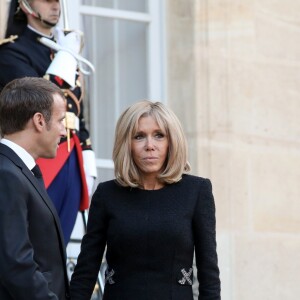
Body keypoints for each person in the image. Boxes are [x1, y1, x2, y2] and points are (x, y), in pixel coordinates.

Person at [70, 100, 221, 299]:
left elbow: (209, 274)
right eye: (139, 136)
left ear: (171, 141)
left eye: (159, 136)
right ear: (127, 144)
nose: (150, 146)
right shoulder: (107, 194)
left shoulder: (196, 191)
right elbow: (86, 271)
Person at [0, 0, 97, 244]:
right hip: (39, 155)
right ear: (24, 4)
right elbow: (38, 101)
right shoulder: (12, 52)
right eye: (46, 0)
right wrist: (66, 56)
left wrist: (86, 152)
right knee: (36, 241)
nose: (55, 6)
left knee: (59, 243)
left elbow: (76, 110)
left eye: (57, 0)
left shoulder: (63, 49)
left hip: (69, 151)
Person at [0, 77, 70, 299]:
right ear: (40, 121)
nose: (63, 132)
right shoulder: (6, 174)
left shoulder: (16, 170)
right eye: (60, 121)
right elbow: (16, 263)